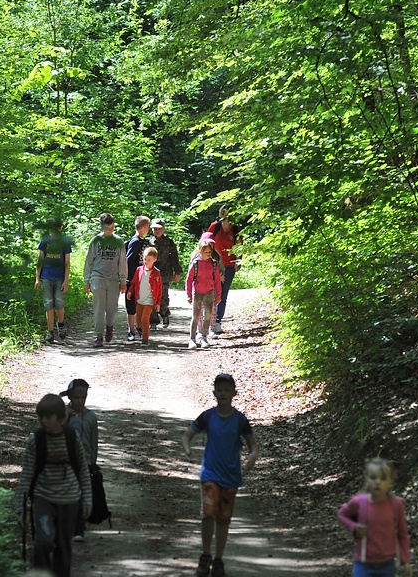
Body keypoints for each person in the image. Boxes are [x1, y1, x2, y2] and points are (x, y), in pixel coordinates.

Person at [182, 373, 259, 577]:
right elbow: (187, 435)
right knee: (208, 513)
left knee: (223, 519)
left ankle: (218, 560)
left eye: (227, 390)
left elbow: (253, 446)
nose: (223, 393)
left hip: (231, 476)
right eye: (219, 390)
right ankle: (205, 555)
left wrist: (251, 458)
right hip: (210, 473)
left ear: (234, 393)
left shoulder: (240, 420)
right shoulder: (208, 416)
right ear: (214, 392)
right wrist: (187, 448)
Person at [16, 394, 93, 577]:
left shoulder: (72, 438)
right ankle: (41, 573)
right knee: (43, 540)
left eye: (48, 417)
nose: (43, 421)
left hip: (70, 499)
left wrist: (87, 499)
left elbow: (83, 469)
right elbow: (26, 474)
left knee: (63, 545)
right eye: (41, 416)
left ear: (60, 418)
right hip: (43, 497)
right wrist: (20, 507)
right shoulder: (35, 440)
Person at [337, 458, 412, 577]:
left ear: (390, 481)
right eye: (373, 478)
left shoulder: (395, 504)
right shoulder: (359, 502)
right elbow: (342, 514)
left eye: (383, 478)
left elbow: (402, 535)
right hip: (363, 563)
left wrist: (405, 560)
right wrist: (354, 526)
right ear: (367, 479)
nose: (378, 482)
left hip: (387, 564)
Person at [61, 379, 98, 542]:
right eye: (76, 397)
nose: (80, 401)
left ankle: (79, 527)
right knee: (70, 495)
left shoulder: (91, 417)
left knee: (83, 495)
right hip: (67, 462)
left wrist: (93, 463)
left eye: (83, 397)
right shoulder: (64, 414)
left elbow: (93, 442)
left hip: (86, 463)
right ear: (70, 397)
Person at [83, 213, 128, 348]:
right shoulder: (95, 241)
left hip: (113, 279)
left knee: (112, 308)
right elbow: (88, 262)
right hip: (98, 277)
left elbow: (122, 262)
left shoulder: (118, 241)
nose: (110, 231)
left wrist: (123, 280)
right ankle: (99, 336)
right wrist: (86, 281)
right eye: (107, 228)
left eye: (112, 228)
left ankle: (109, 326)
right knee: (98, 308)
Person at [206, 206, 242, 337]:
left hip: (229, 267)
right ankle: (209, 321)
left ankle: (217, 322)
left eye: (228, 216)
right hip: (214, 265)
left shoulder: (236, 229)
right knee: (213, 292)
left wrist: (239, 261)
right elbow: (206, 243)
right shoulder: (215, 227)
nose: (226, 219)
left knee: (223, 294)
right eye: (224, 216)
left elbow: (239, 247)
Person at [35, 217, 72, 343]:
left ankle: (60, 324)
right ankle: (50, 332)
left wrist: (66, 281)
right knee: (48, 305)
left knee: (59, 304)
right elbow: (40, 259)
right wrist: (37, 279)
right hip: (46, 277)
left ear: (60, 228)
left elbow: (67, 262)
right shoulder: (45, 240)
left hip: (59, 277)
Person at [185, 236, 222, 350]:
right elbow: (189, 279)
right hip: (198, 293)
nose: (208, 254)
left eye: (209, 252)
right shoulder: (196, 264)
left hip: (209, 293)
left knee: (208, 316)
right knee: (196, 316)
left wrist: (219, 295)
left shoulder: (214, 264)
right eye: (205, 252)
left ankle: (204, 338)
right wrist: (189, 294)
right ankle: (192, 339)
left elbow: (217, 280)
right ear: (200, 252)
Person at [126, 246, 162, 346]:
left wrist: (158, 302)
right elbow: (133, 283)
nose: (146, 261)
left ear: (154, 260)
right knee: (139, 321)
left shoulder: (156, 273)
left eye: (149, 259)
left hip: (150, 300)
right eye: (144, 259)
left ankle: (145, 340)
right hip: (140, 299)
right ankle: (140, 329)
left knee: (144, 319)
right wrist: (130, 292)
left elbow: (159, 289)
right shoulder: (139, 270)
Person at [149, 218, 182, 328]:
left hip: (165, 273)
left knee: (163, 296)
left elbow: (174, 258)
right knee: (152, 296)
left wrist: (177, 271)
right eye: (154, 229)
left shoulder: (169, 242)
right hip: (151, 274)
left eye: (159, 229)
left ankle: (164, 314)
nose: (157, 231)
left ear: (163, 229)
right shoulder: (149, 242)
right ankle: (153, 320)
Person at [124, 215, 151, 341]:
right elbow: (129, 260)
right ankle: (131, 328)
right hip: (133, 279)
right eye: (148, 227)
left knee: (141, 302)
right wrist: (129, 279)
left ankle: (139, 326)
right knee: (131, 304)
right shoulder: (135, 242)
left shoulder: (144, 242)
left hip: (143, 278)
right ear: (144, 227)